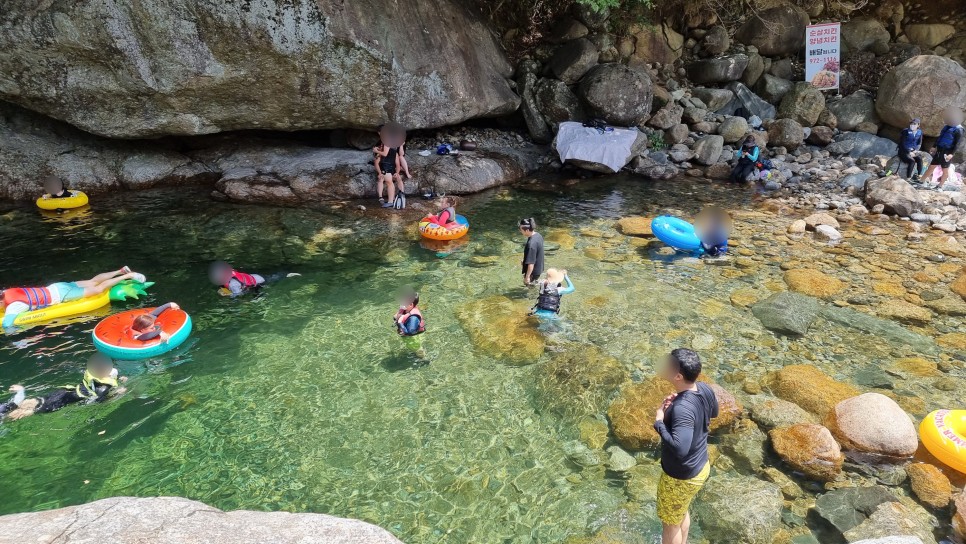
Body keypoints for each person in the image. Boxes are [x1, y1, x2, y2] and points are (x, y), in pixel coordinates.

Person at [654, 348, 719, 544]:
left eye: (668, 364)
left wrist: (659, 422)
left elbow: (680, 449)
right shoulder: (703, 388)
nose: (663, 365)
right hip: (700, 467)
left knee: (669, 524)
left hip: (680, 477)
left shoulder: (682, 408)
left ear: (678, 376)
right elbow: (714, 412)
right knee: (680, 512)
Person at [2, 267, 146, 328]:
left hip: (62, 295)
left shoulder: (14, 305)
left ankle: (128, 275)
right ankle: (120, 270)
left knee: (98, 288)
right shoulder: (7, 291)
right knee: (92, 281)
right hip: (56, 286)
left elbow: (7, 324)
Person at [0, 353, 127, 421]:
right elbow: (100, 402)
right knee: (31, 411)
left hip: (62, 392)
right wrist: (119, 393)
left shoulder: (93, 374)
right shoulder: (103, 389)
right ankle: (6, 418)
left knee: (35, 401)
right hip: (61, 401)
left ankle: (8, 412)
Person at [923, 108, 964, 189]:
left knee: (945, 169)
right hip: (939, 150)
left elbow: (957, 143)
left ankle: (940, 186)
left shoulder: (959, 129)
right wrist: (934, 146)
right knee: (931, 166)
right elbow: (940, 137)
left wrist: (951, 154)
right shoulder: (946, 127)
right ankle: (921, 180)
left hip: (947, 152)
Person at [208, 261, 300, 297]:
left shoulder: (233, 284)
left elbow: (239, 294)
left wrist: (228, 295)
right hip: (254, 277)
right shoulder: (230, 272)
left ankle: (289, 273)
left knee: (275, 278)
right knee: (273, 276)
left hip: (259, 282)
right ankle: (288, 267)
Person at [393, 289, 426, 358]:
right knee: (412, 347)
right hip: (412, 333)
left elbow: (410, 332)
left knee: (417, 349)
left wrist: (400, 322)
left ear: (411, 304)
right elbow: (399, 314)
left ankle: (424, 359)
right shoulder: (408, 309)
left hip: (413, 337)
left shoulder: (413, 317)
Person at [519, 218, 544, 287]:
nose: (520, 231)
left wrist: (527, 277)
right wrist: (525, 261)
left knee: (529, 286)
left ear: (527, 230)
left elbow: (531, 264)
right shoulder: (538, 235)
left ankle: (532, 296)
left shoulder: (531, 244)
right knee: (533, 283)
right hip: (539, 267)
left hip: (533, 272)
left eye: (521, 230)